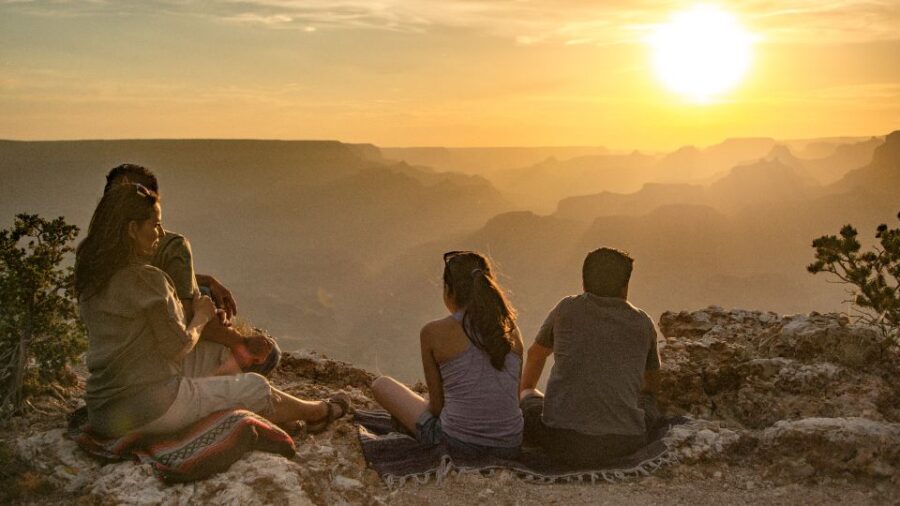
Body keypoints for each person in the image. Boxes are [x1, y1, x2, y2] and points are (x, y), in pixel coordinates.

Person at [75, 183, 348, 438]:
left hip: (103, 408)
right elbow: (177, 346)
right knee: (255, 386)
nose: (160, 233)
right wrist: (202, 317)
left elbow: (143, 333)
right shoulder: (147, 279)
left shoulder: (92, 274)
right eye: (155, 225)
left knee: (222, 355)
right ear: (133, 229)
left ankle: (269, 411)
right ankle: (318, 412)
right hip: (149, 408)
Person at [104, 164, 278, 375]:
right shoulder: (172, 246)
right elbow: (181, 329)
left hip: (110, 360)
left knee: (204, 294)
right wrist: (242, 341)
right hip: (157, 366)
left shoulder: (96, 252)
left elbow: (144, 284)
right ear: (153, 200)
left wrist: (205, 281)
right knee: (270, 353)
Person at [371, 251, 524, 459]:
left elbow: (436, 408)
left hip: (457, 444)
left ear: (449, 290)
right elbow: (513, 400)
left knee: (381, 385)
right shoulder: (511, 332)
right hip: (510, 445)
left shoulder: (433, 332)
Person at [518, 247, 661, 466]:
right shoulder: (643, 322)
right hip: (625, 442)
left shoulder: (566, 309)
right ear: (625, 287)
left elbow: (535, 355)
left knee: (529, 395)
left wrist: (524, 391)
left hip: (561, 440)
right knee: (648, 403)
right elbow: (650, 386)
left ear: (583, 284)